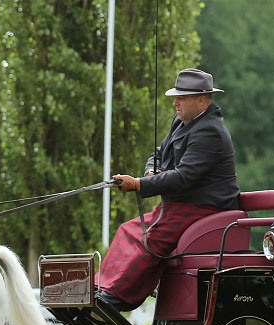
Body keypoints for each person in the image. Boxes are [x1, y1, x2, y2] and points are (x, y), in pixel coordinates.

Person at [98, 68, 239, 311]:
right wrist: (150, 171)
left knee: (152, 238)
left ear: (201, 99)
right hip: (180, 206)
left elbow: (184, 177)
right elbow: (159, 153)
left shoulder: (210, 131)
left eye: (181, 98)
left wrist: (139, 184)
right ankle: (104, 287)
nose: (175, 103)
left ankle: (118, 297)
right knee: (128, 230)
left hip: (204, 208)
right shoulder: (182, 121)